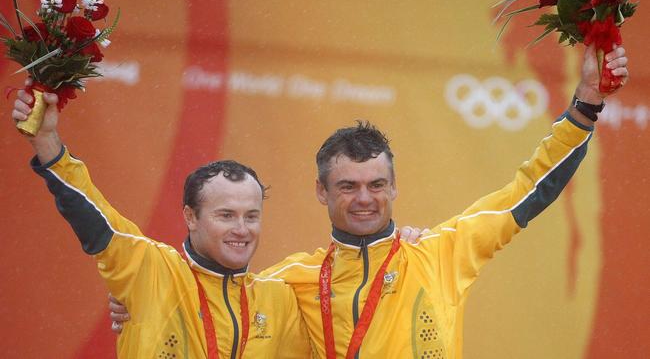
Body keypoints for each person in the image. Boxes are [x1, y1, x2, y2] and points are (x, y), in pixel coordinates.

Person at [111, 44, 629, 358]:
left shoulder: (439, 253)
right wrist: (139, 306)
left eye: (376, 185)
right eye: (348, 186)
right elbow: (212, 296)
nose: (365, 199)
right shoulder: (288, 281)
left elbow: (530, 189)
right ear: (322, 192)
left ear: (394, 188)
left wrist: (585, 103)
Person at [11, 81, 313, 358]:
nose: (241, 229)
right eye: (226, 215)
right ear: (190, 217)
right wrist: (47, 141)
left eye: (252, 216)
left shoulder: (282, 300)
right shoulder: (151, 270)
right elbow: (93, 214)